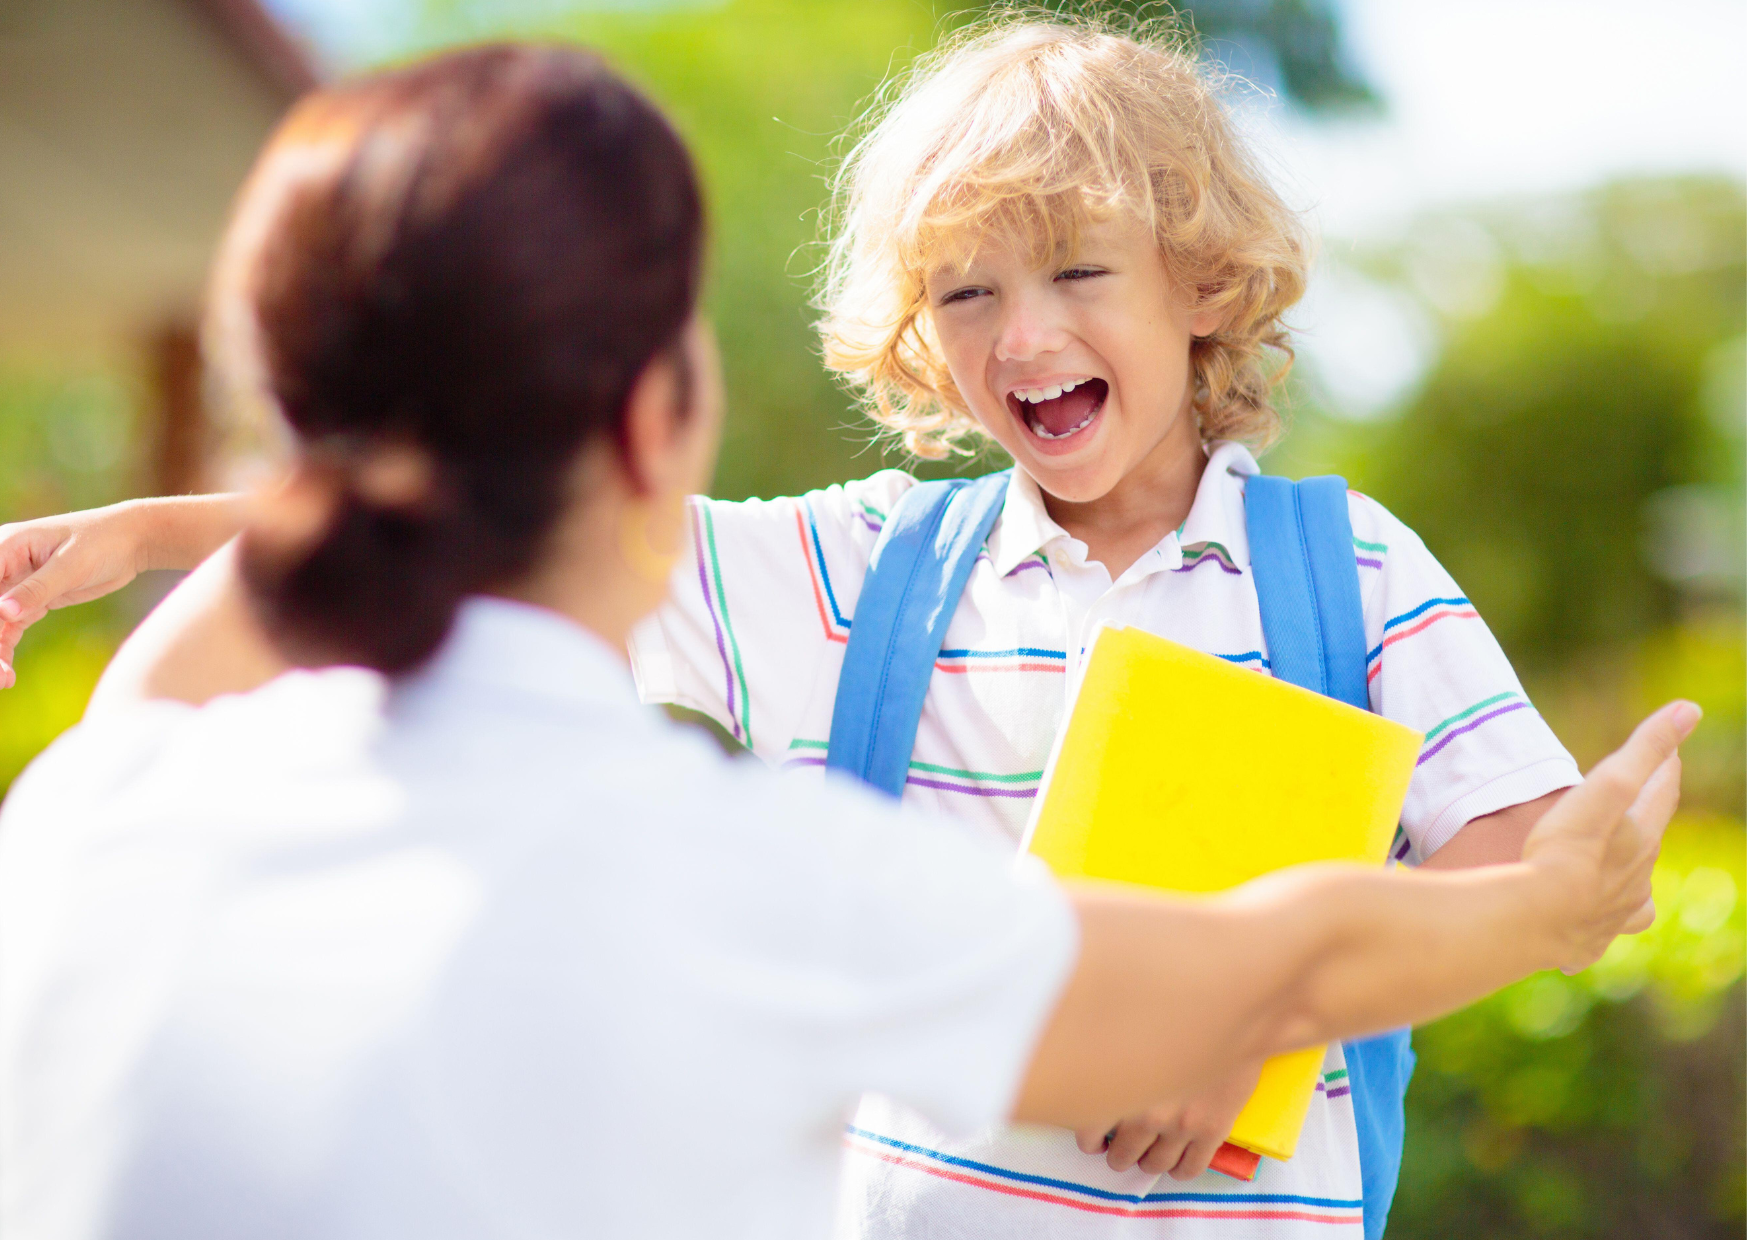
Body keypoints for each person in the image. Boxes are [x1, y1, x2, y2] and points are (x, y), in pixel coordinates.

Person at [0, 31, 1692, 1240]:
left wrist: (1260, 1028)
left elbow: (1511, 863)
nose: (1021, 335)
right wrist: (142, 534)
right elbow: (457, 517)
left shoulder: (1355, 570)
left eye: (1077, 273)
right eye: (964, 294)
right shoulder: (854, 572)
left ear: (1203, 286)